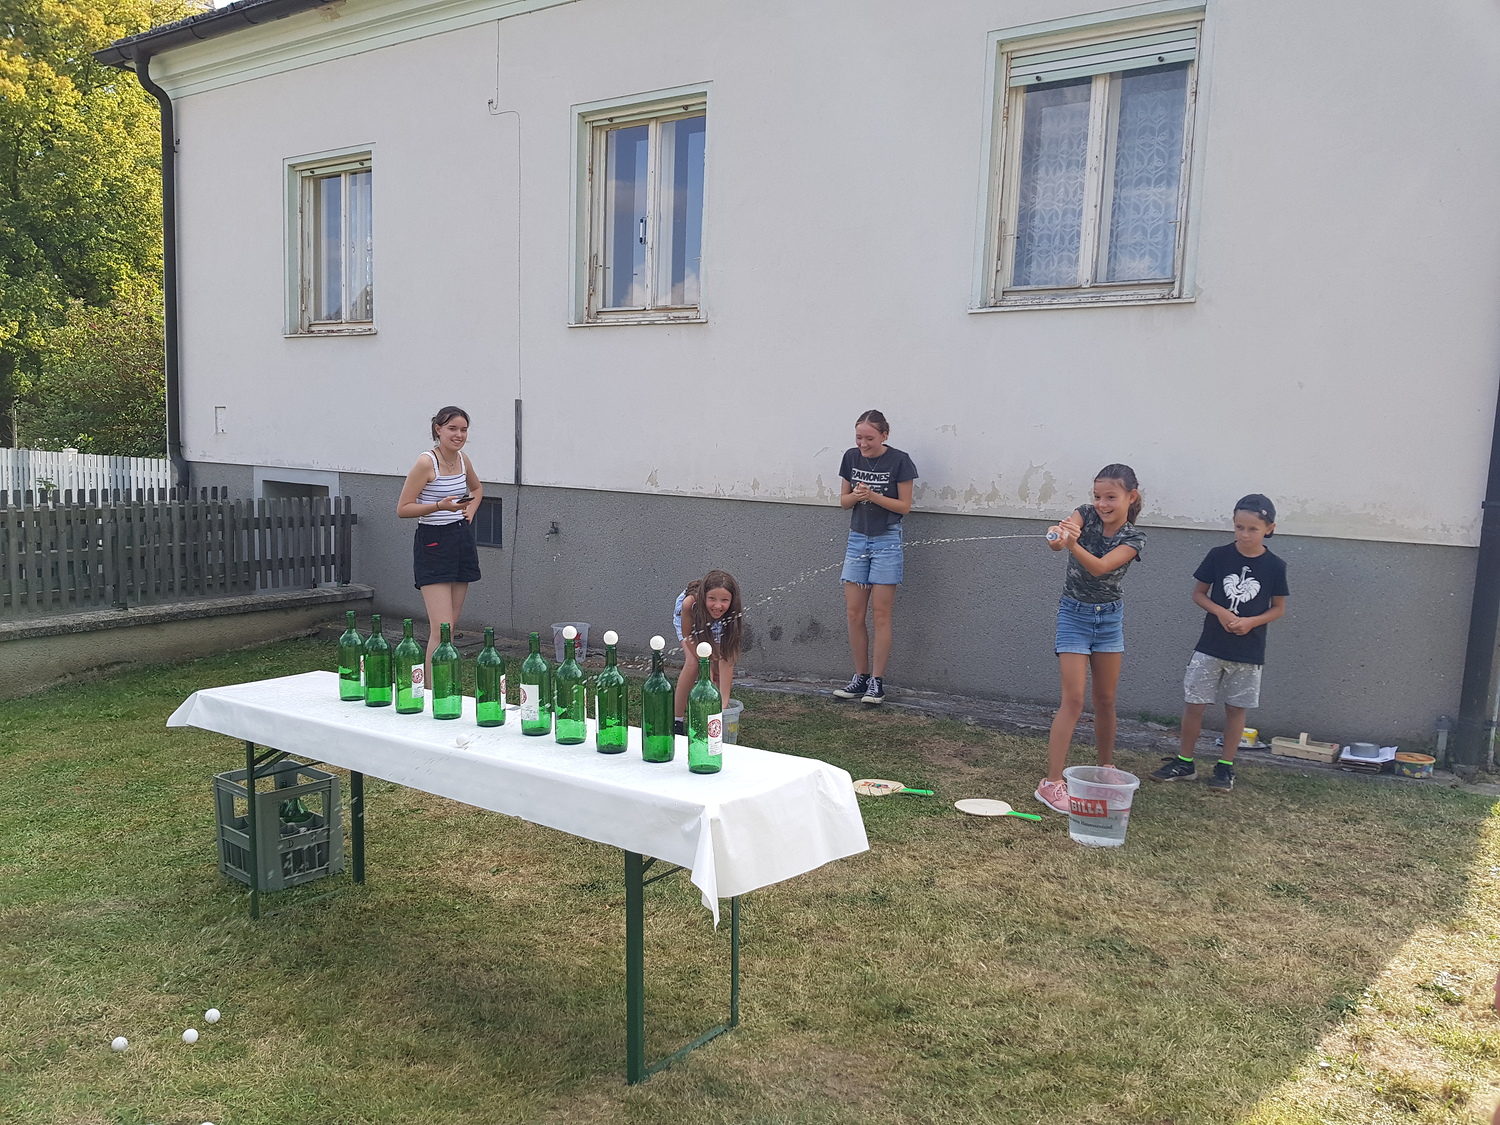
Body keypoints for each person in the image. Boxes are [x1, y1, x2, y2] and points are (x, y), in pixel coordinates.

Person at [1151, 494, 1289, 793]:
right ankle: (1185, 762)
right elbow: (1199, 594)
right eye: (1239, 527)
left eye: (1252, 529)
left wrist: (1251, 622)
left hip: (1248, 651)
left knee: (1236, 709)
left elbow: (1278, 608)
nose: (1244, 534)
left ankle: (1225, 766)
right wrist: (1222, 612)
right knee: (1194, 704)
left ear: (1269, 529)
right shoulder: (1218, 556)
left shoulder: (1275, 566)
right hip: (1211, 646)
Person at [1035, 464, 1147, 815]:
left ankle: (1105, 767)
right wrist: (1059, 535)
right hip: (1074, 615)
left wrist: (1072, 543)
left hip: (1109, 619)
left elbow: (1100, 567)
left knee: (1106, 699)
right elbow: (1059, 542)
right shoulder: (1084, 514)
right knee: (1073, 699)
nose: (1102, 504)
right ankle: (1051, 783)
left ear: (1131, 497)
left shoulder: (1134, 539)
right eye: (1098, 496)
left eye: (1111, 497)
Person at [832, 409, 918, 705]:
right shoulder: (850, 457)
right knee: (854, 614)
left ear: (884, 435)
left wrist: (873, 496)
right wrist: (856, 496)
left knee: (881, 615)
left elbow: (904, 506)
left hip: (887, 539)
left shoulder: (900, 460)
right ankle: (860, 677)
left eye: (869, 438)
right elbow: (844, 502)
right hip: (857, 539)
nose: (863, 444)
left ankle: (877, 683)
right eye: (859, 437)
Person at [397, 406, 482, 679]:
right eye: (452, 429)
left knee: (451, 626)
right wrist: (439, 506)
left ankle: (446, 687)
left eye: (464, 430)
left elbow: (477, 489)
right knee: (441, 629)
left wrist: (470, 511)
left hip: (460, 538)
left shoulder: (463, 459)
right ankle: (431, 692)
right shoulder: (426, 463)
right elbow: (403, 508)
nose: (459, 435)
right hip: (433, 543)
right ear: (438, 429)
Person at [674, 570, 744, 732]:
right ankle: (677, 720)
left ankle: (714, 714)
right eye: (712, 598)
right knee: (694, 663)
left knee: (719, 661)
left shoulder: (731, 613)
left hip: (716, 619)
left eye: (724, 600)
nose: (718, 605)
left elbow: (726, 658)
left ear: (732, 600)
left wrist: (722, 707)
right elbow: (688, 635)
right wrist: (706, 665)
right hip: (691, 622)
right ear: (704, 596)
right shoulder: (689, 603)